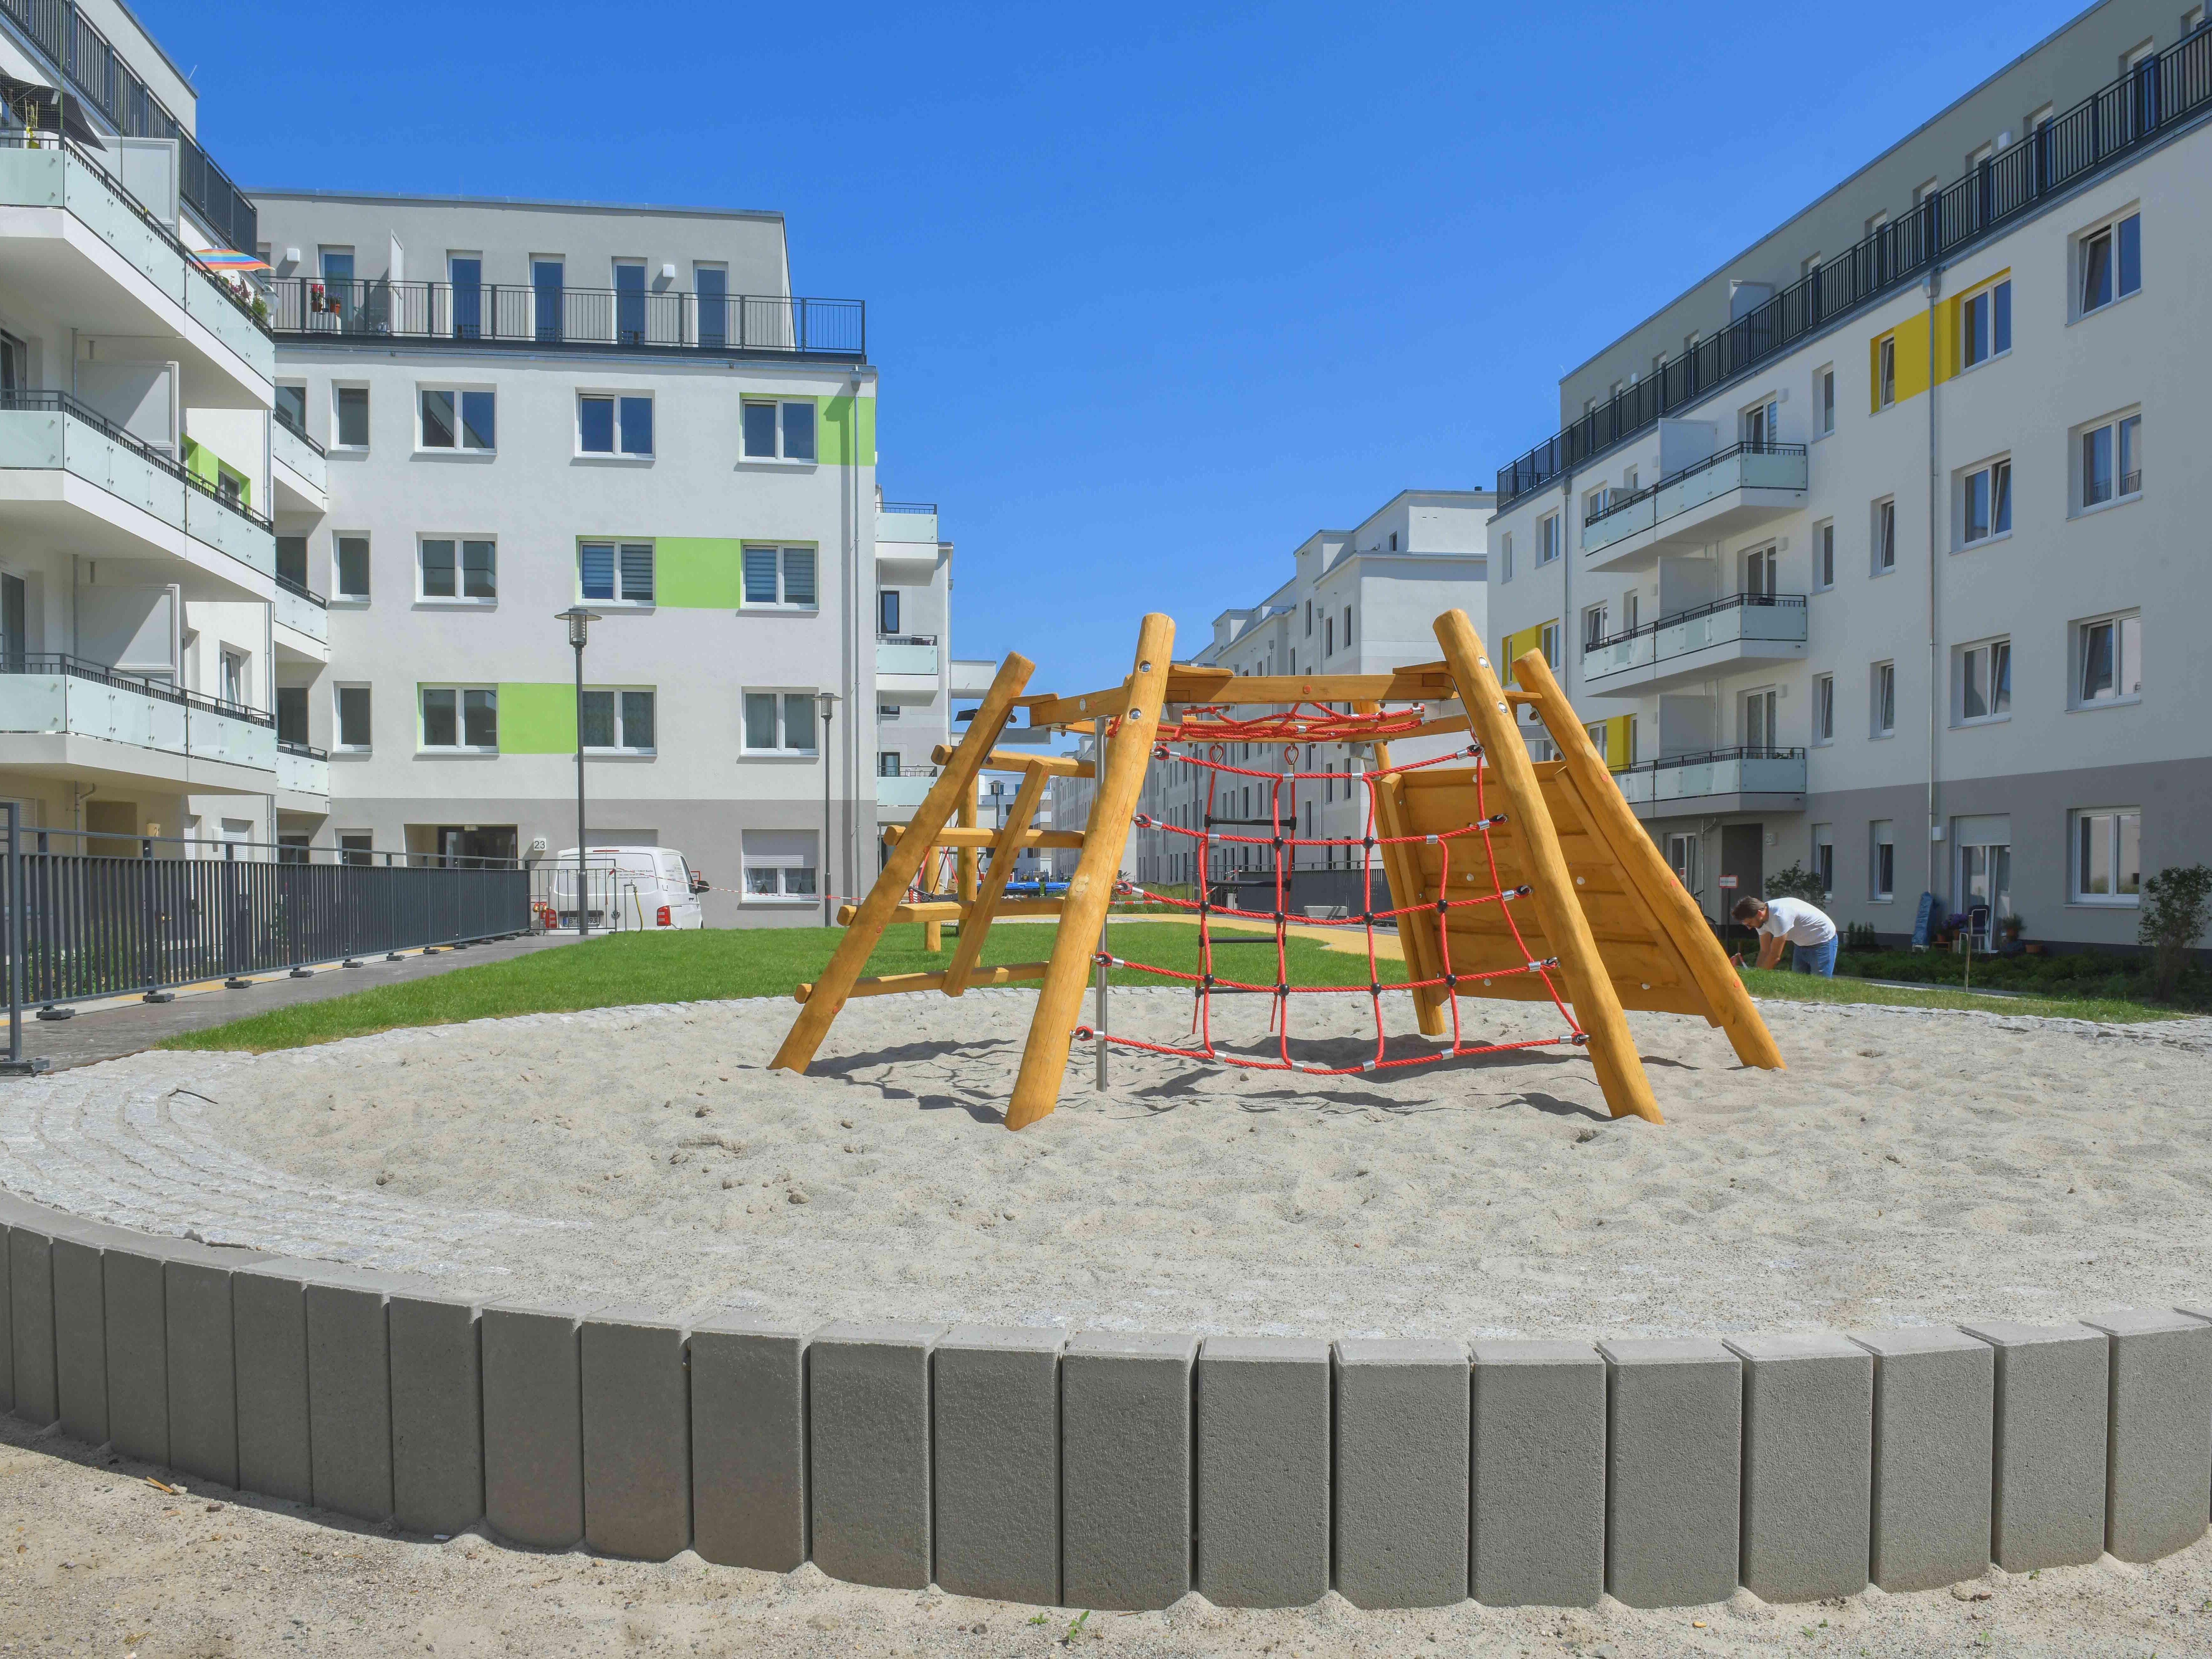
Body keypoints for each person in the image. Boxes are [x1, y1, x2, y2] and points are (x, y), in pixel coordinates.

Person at [1731, 893, 1839, 977]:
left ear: (1759, 913)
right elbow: (1765, 951)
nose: (1749, 928)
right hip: (1801, 945)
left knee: (1819, 986)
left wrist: (1757, 979)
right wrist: (1755, 975)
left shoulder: (1780, 916)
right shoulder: (1761, 920)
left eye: (1750, 923)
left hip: (1823, 942)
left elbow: (1775, 957)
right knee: (1800, 986)